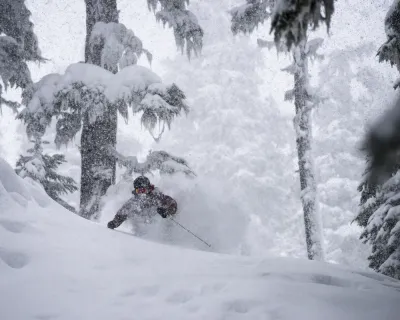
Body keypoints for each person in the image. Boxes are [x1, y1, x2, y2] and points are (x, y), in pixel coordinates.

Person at [107, 176, 177, 230]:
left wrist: (166, 211)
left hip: (160, 230)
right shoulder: (134, 201)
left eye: (142, 190)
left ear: (148, 188)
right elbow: (123, 212)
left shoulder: (157, 197)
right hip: (144, 233)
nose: (141, 193)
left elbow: (173, 204)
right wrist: (114, 222)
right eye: (138, 191)